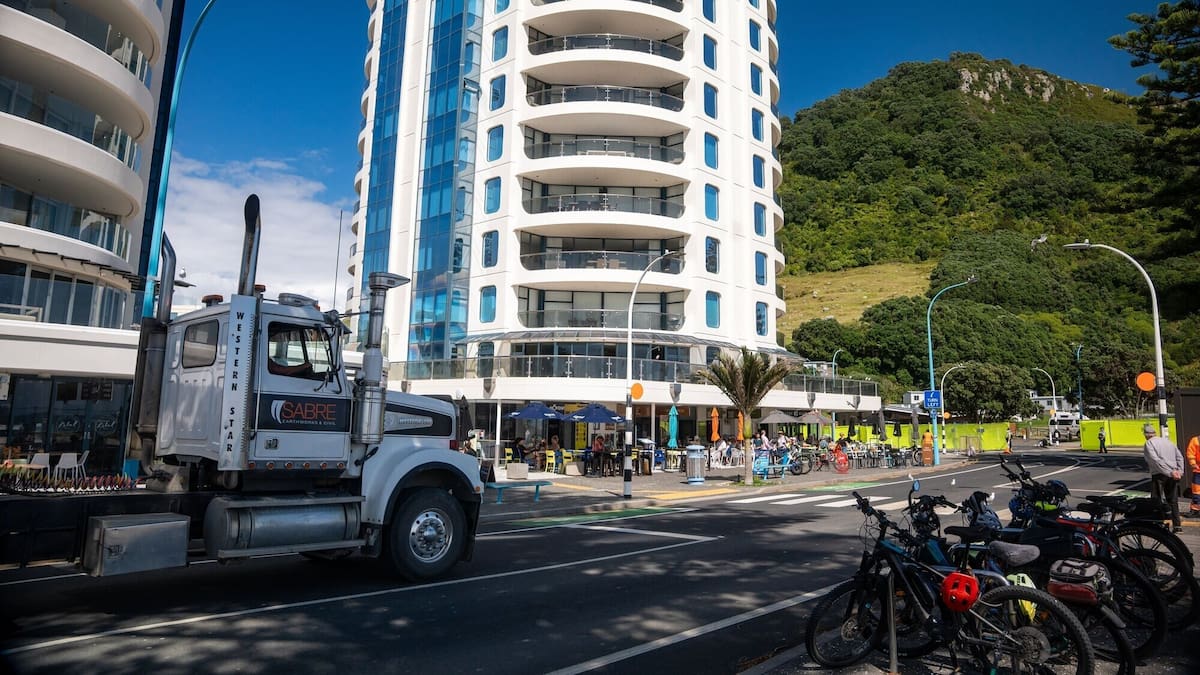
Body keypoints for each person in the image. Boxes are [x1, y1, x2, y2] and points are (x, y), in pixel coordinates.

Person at [1143, 423, 1185, 532]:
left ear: (1146, 435)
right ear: (1155, 433)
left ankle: (1158, 524)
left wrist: (1169, 472)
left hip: (1159, 474)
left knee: (1156, 499)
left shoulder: (1149, 443)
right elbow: (1179, 456)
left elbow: (1156, 461)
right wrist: (1179, 471)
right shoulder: (1168, 441)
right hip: (1173, 473)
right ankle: (1177, 526)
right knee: (1173, 500)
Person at [1187, 433, 1200, 518]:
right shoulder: (1195, 440)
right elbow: (1190, 453)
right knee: (1196, 491)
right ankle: (1196, 510)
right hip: (1198, 470)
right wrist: (1193, 463)